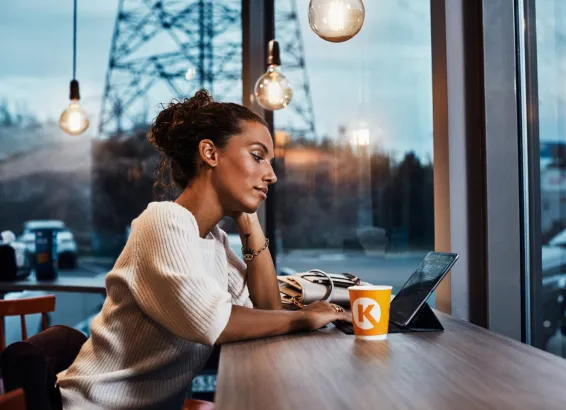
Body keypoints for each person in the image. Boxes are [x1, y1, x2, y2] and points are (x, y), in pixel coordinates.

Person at [56, 89, 350, 410]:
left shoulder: (213, 242)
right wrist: (303, 318)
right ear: (210, 154)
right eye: (257, 156)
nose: (271, 175)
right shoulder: (163, 221)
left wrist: (250, 225)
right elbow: (216, 322)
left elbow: (266, 309)